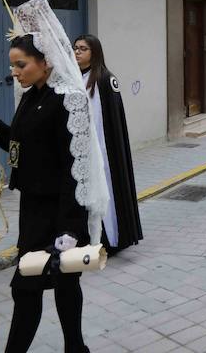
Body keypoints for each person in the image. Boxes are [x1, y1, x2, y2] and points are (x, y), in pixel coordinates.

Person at [0, 0, 110, 353]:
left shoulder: (68, 99)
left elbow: (77, 167)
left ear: (45, 62)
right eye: (12, 65)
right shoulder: (30, 95)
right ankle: (77, 347)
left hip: (59, 214)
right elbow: (19, 144)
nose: (15, 72)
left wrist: (70, 230)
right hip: (33, 209)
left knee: (27, 286)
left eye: (21, 65)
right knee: (59, 284)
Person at [73, 34, 143, 254]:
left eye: (83, 49)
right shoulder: (76, 77)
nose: (77, 52)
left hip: (104, 150)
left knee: (107, 193)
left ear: (94, 53)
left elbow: (112, 120)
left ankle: (110, 239)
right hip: (84, 150)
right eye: (75, 48)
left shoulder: (104, 79)